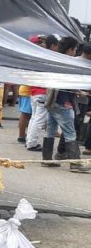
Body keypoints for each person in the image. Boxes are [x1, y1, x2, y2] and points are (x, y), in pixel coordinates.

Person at [40, 37, 90, 172]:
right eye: (74, 49)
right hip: (63, 102)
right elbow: (67, 82)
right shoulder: (67, 63)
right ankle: (75, 164)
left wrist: (77, 91)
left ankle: (46, 159)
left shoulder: (56, 60)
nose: (75, 52)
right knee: (70, 132)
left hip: (52, 101)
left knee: (50, 130)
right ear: (69, 49)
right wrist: (78, 91)